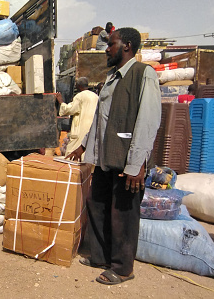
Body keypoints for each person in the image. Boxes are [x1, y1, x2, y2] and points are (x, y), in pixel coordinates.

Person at [67, 27, 161, 285]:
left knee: (123, 215)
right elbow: (100, 119)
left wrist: (136, 165)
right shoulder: (111, 78)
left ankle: (122, 268)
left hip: (126, 160)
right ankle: (100, 256)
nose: (107, 48)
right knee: (96, 204)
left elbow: (148, 120)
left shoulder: (144, 75)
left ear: (127, 46)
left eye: (112, 44)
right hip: (105, 157)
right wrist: (84, 146)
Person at [55, 77, 98, 157]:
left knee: (72, 153)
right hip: (92, 128)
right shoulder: (95, 96)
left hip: (81, 130)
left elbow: (70, 109)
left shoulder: (80, 96)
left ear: (79, 86)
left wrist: (61, 102)